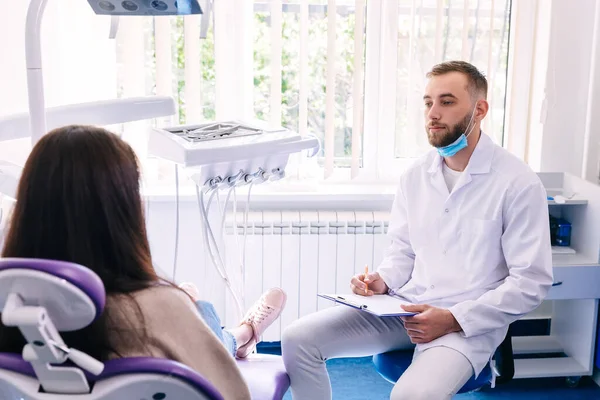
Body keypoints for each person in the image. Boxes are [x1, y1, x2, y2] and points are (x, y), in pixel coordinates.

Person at [281, 60, 554, 399]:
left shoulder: (517, 182)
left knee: (411, 396)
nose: (433, 113)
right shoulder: (415, 176)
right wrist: (382, 280)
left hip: (466, 325)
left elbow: (531, 283)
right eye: (428, 102)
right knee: (298, 338)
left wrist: (454, 318)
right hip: (406, 308)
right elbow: (403, 252)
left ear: (479, 109)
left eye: (447, 101)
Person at [0, 125, 286, 400]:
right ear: (122, 207)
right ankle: (243, 332)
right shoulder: (157, 308)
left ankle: (233, 328)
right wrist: (176, 304)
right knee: (201, 311)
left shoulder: (12, 305)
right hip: (167, 315)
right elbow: (233, 394)